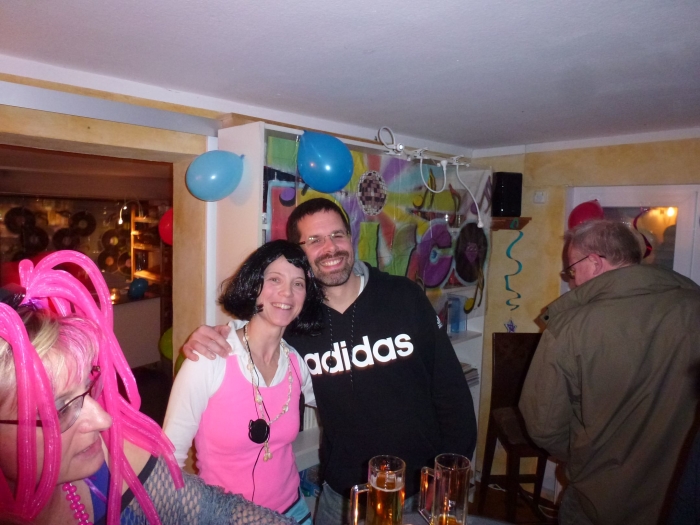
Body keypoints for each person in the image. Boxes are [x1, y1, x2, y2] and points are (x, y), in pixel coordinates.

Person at [183, 198, 477, 524]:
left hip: (419, 493)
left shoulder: (404, 296)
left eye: (337, 235)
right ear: (300, 254)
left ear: (350, 238)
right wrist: (219, 334)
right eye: (314, 240)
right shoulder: (295, 321)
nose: (330, 248)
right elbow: (256, 333)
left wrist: (447, 477)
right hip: (341, 496)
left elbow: (452, 394)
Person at [0, 251, 295, 525]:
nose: (104, 420)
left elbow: (215, 510)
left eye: (89, 389)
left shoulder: (115, 456)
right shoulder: (211, 363)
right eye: (60, 409)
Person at [519, 220, 700, 525]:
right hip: (679, 494)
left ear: (594, 262)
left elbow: (543, 426)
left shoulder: (571, 327)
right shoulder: (694, 306)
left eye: (572, 270)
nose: (572, 282)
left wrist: (585, 455)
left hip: (598, 499)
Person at [163, 240, 324, 524]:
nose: (287, 292)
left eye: (298, 284)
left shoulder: (296, 362)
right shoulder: (209, 360)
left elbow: (339, 403)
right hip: (227, 517)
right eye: (274, 279)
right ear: (254, 285)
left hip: (293, 512)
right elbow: (168, 460)